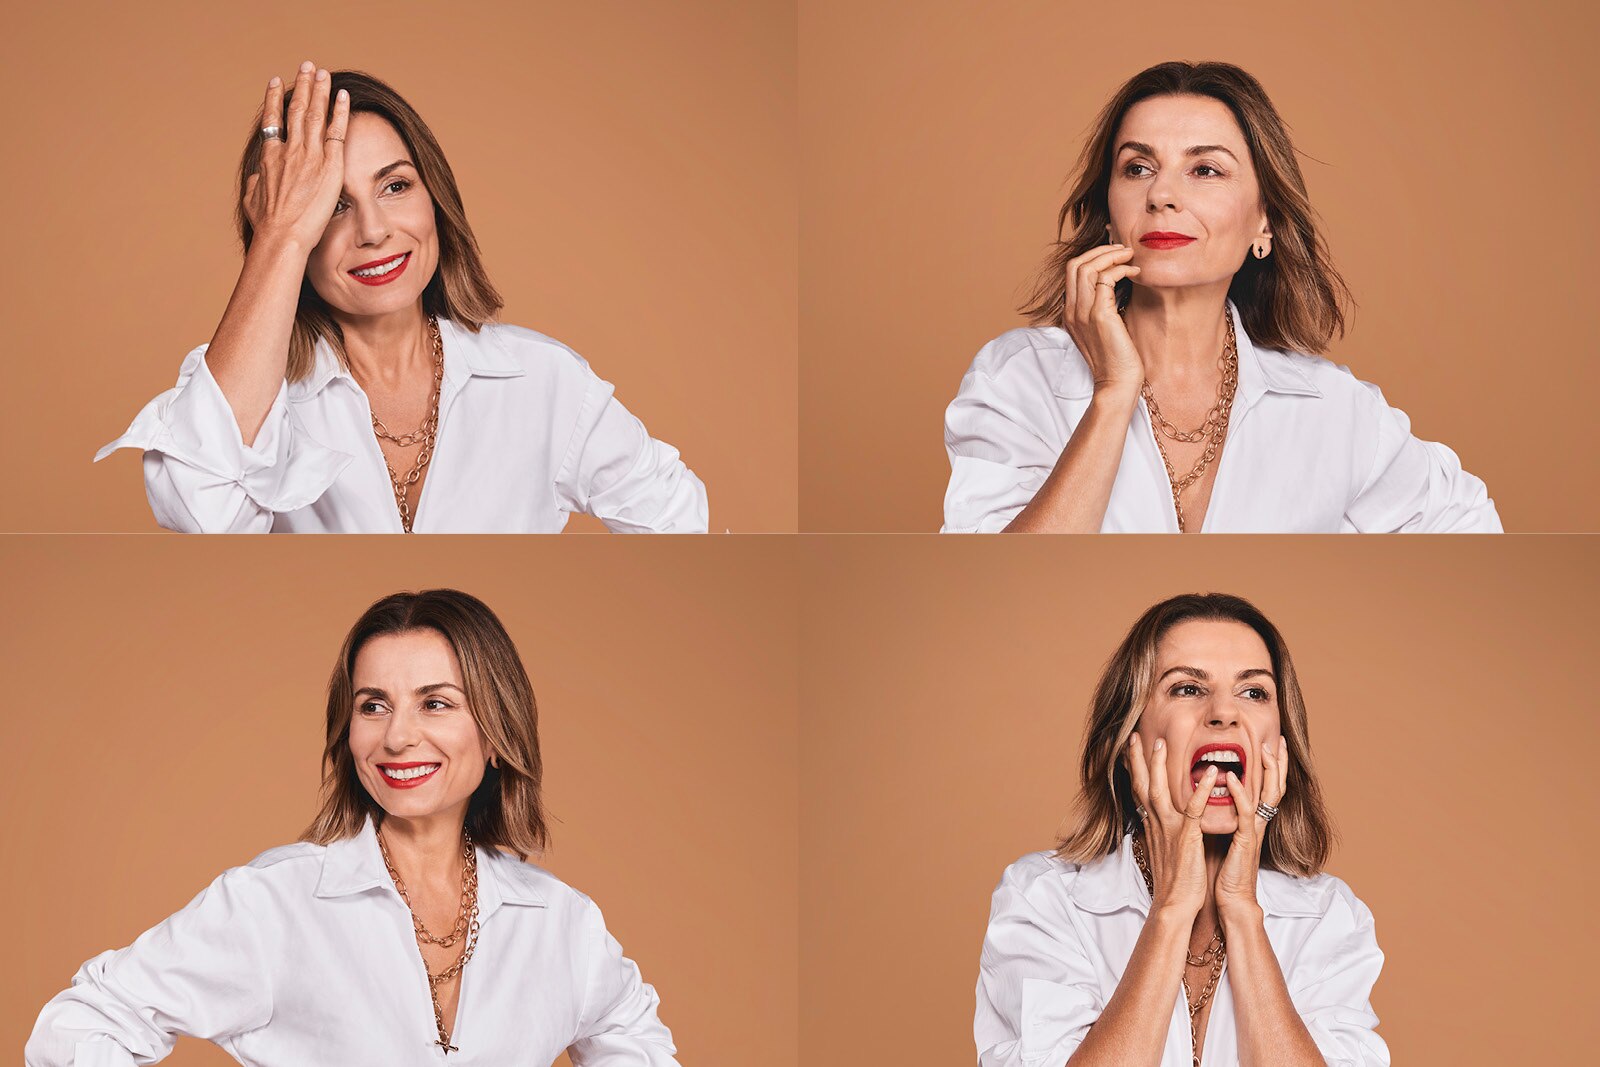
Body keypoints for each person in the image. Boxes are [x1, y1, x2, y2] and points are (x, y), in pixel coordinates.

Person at [27, 589, 679, 1065]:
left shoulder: (559, 922)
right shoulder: (276, 904)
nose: (398, 735)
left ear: (497, 732)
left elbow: (638, 1042)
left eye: (436, 702)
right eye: (374, 705)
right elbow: (78, 1025)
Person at [96, 62, 707, 533]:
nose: (372, 230)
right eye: (331, 204)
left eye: (394, 185)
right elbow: (204, 521)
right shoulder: (248, 395)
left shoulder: (546, 383)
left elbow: (679, 523)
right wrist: (278, 237)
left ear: (434, 195)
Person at [942, 61, 1498, 533]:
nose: (1162, 194)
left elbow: (1469, 527)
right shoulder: (1017, 379)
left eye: (1204, 169)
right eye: (1137, 168)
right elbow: (1001, 579)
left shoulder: (1337, 411)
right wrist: (1113, 395)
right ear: (1109, 217)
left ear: (1263, 221)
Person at [975, 593, 1388, 1065]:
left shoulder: (1330, 919)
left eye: (1253, 692)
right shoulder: (1043, 902)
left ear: (1279, 744)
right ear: (1129, 740)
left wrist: (1242, 913)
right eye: (1187, 689)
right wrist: (1171, 909)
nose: (1223, 712)